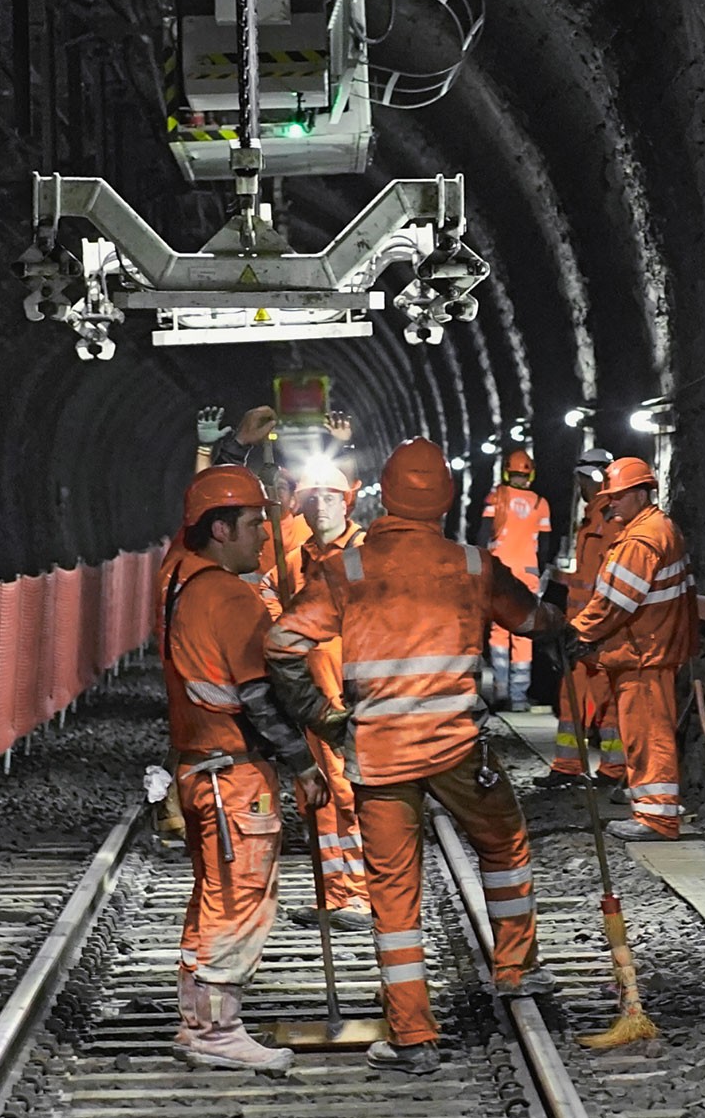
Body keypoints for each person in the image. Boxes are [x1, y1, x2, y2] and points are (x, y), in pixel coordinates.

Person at [267, 438, 564, 1075]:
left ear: (385, 491)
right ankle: (514, 969)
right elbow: (532, 619)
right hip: (458, 749)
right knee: (504, 844)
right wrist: (568, 627)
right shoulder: (472, 564)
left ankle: (413, 1037)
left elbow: (282, 641)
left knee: (393, 897)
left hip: (380, 757)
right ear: (448, 498)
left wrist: (321, 714)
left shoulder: (348, 569)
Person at [161, 466, 330, 1070]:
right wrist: (305, 762)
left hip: (196, 768)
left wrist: (230, 451)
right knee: (241, 901)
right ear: (221, 528)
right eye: (256, 523)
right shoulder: (228, 597)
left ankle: (194, 1023)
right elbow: (260, 696)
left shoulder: (177, 576)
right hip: (235, 774)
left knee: (213, 897)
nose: (265, 536)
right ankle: (218, 1033)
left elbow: (185, 525)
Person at [259, 459, 373, 932]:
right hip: (310, 697)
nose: (319, 506)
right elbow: (266, 593)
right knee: (320, 798)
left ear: (347, 502)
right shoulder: (296, 561)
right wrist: (283, 626)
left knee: (354, 797)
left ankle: (364, 898)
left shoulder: (369, 554)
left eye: (329, 497)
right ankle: (335, 894)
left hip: (355, 699)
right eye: (311, 499)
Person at [563, 457, 699, 842]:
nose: (611, 504)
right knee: (644, 735)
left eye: (619, 497)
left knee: (648, 736)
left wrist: (578, 634)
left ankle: (656, 818)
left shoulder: (641, 539)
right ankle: (651, 809)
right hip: (648, 650)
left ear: (641, 493)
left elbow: (614, 601)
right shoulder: (656, 529)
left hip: (644, 653)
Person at [536, 447, 628, 791]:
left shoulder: (610, 522)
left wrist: (595, 626)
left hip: (601, 629)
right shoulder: (592, 518)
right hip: (581, 626)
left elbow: (608, 582)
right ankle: (568, 765)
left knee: (605, 701)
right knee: (573, 697)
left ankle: (613, 770)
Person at [479, 449, 552, 710]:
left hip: (501, 572)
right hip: (528, 573)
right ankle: (519, 697)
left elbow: (482, 535)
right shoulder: (540, 503)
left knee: (499, 631)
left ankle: (500, 690)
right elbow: (544, 545)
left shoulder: (496, 497)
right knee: (524, 632)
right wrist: (539, 571)